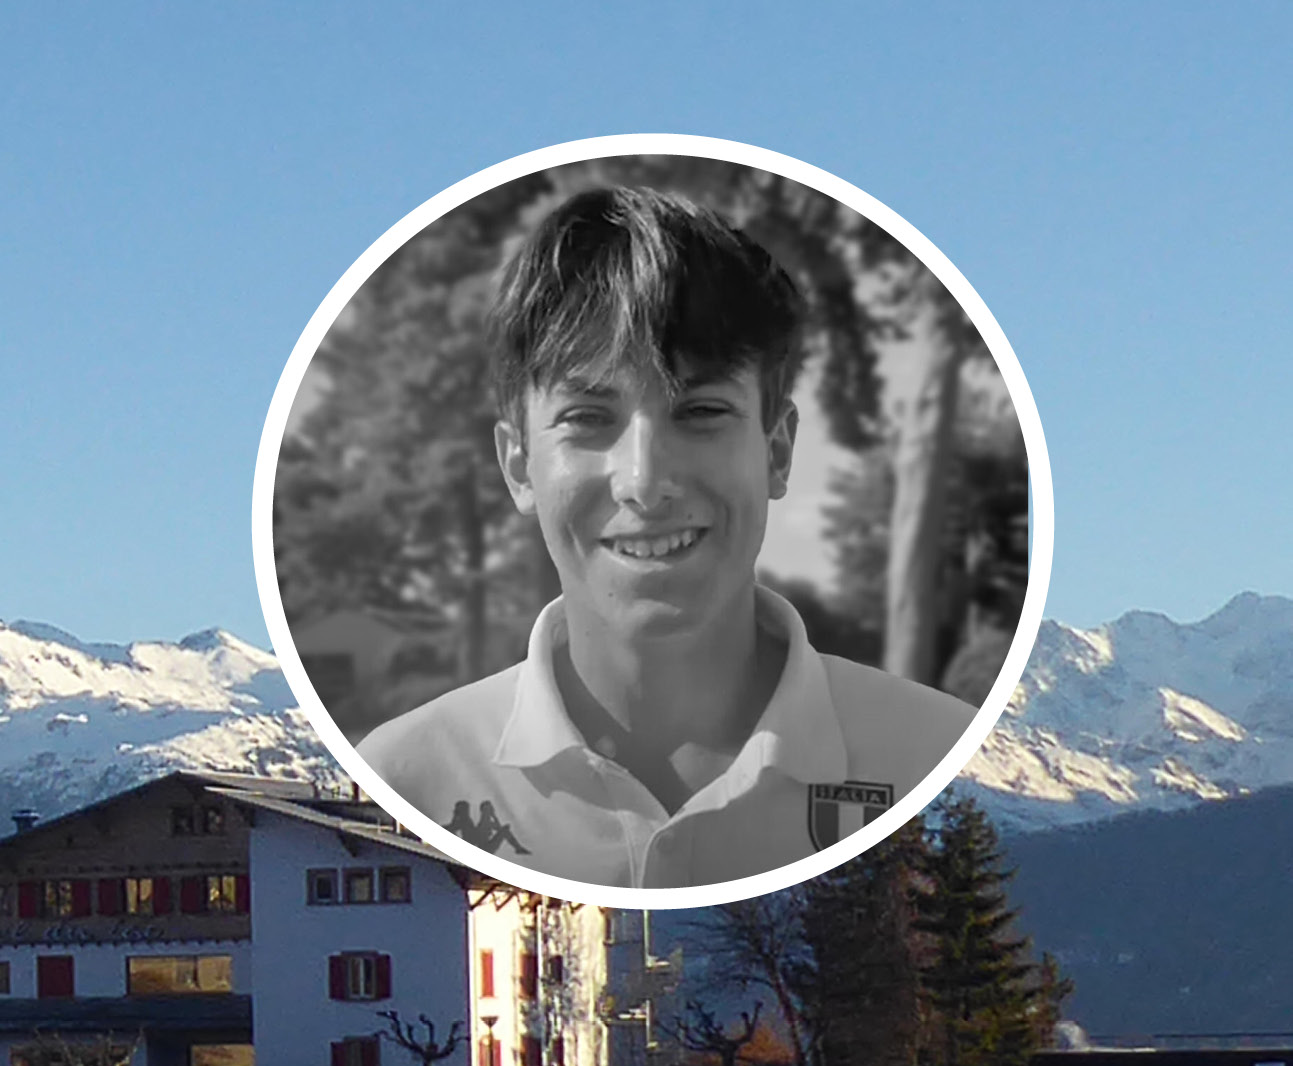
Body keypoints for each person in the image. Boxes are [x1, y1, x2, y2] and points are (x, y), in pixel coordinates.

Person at [353, 185, 976, 891]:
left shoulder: (937, 755)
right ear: (518, 465)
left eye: (700, 410)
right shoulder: (403, 778)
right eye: (588, 418)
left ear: (775, 451)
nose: (643, 481)